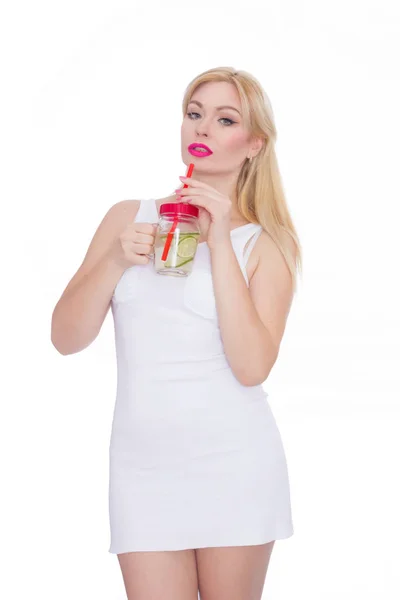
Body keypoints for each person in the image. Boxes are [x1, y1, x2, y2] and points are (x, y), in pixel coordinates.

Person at [51, 66, 303, 600]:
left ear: (254, 143)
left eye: (225, 118)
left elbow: (252, 366)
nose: (203, 129)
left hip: (234, 464)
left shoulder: (266, 244)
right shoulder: (128, 217)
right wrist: (116, 261)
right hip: (142, 468)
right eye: (194, 114)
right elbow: (65, 337)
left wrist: (218, 245)